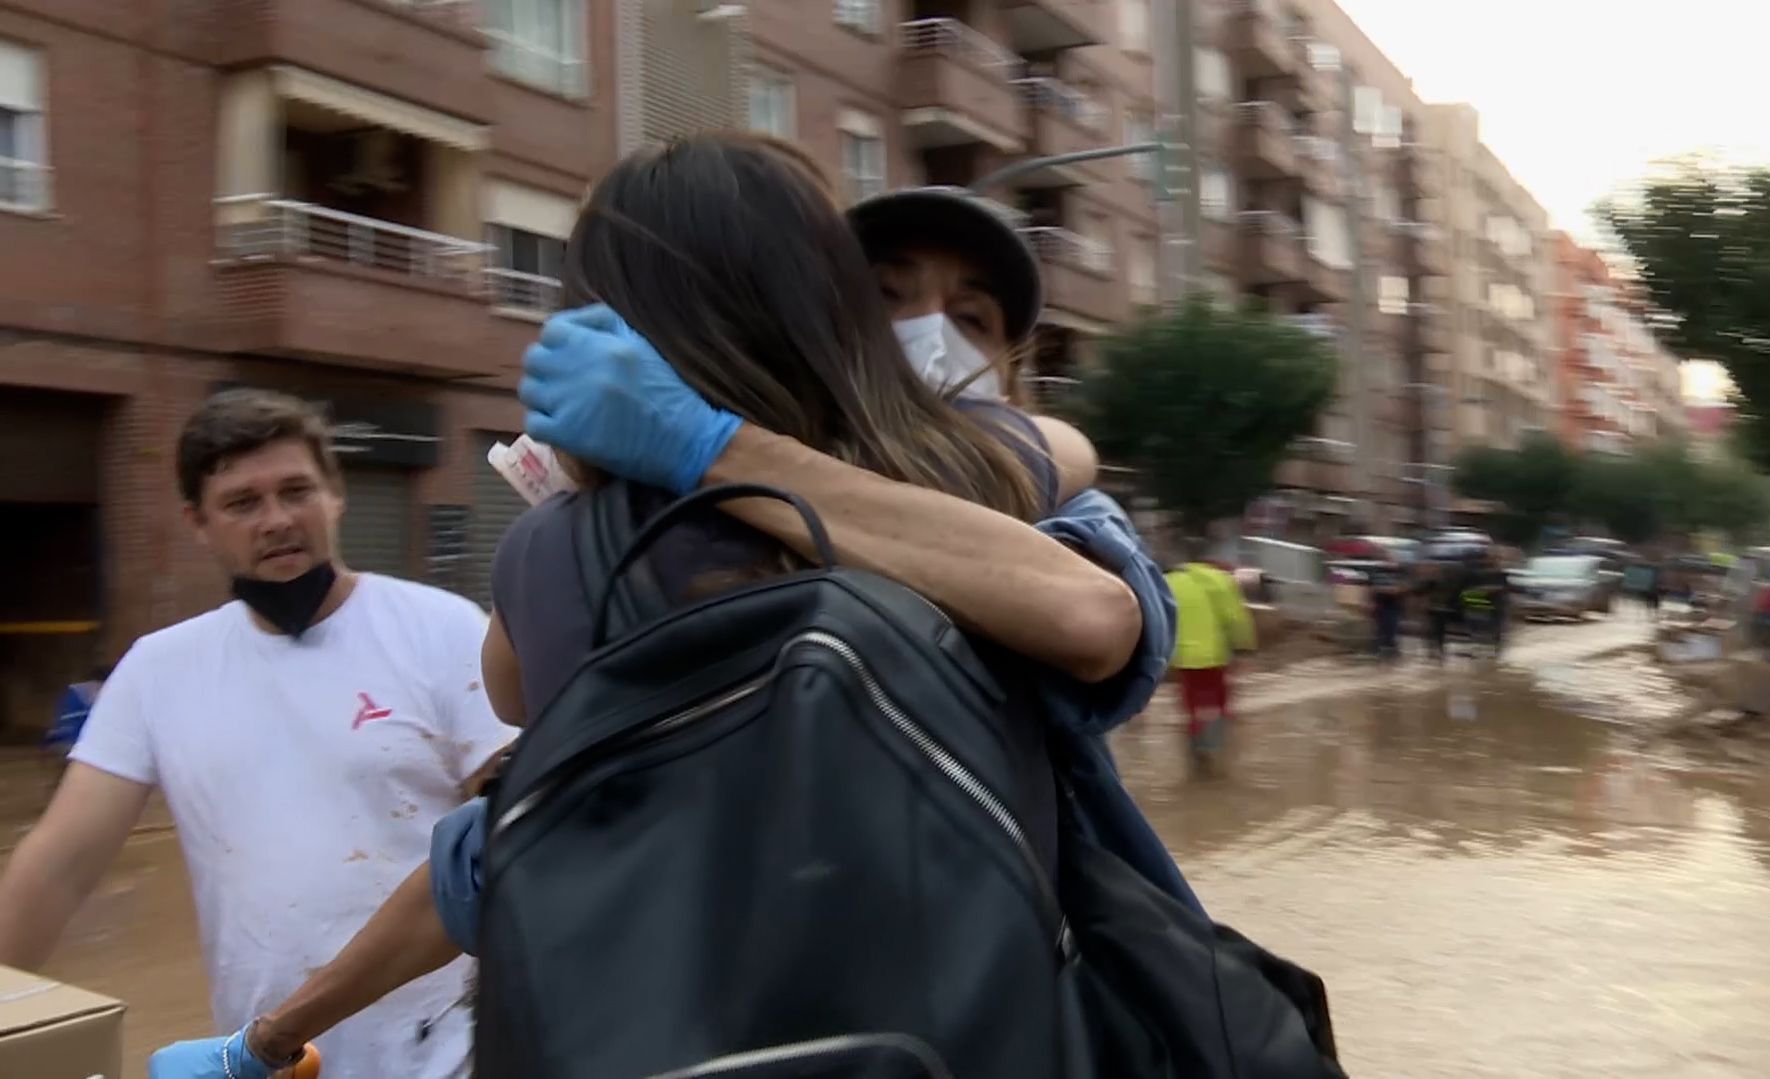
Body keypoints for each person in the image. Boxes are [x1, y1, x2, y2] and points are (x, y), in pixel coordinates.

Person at [152, 134, 1185, 1074]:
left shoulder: (549, 557)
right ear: (827, 312)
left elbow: (500, 804)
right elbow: (1099, 608)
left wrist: (265, 1041)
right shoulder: (972, 482)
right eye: (890, 296)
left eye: (968, 317)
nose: (932, 340)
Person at [0, 390, 518, 1079]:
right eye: (243, 502)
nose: (277, 519)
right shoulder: (160, 670)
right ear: (197, 522)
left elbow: (515, 839)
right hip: (269, 1062)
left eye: (296, 490)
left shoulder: (441, 630)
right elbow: (59, 863)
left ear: (336, 495)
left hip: (453, 1053)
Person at [1166, 547, 1255, 766]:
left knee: (1193, 705)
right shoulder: (1221, 580)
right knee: (1217, 704)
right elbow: (1237, 619)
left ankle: (1197, 752)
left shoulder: (1168, 581)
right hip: (1213, 657)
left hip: (1181, 657)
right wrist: (1245, 649)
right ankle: (1214, 756)